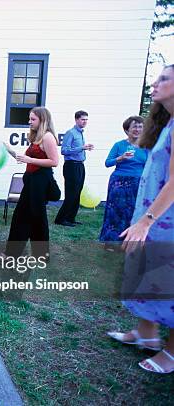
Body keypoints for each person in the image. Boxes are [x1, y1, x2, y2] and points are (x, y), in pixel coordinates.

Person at [108, 64, 174, 374]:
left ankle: (170, 353)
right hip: (154, 218)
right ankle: (146, 333)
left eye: (164, 78)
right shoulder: (169, 125)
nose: (156, 83)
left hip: (166, 221)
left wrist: (146, 221)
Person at [5, 107, 59, 260]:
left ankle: (39, 254)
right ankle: (16, 253)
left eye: (33, 119)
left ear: (43, 120)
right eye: (29, 119)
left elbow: (54, 162)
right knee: (24, 217)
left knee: (35, 218)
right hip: (31, 181)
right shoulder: (36, 136)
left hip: (40, 182)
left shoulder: (48, 137)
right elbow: (31, 159)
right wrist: (12, 152)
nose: (29, 122)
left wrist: (30, 160)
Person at [99, 116, 148, 248]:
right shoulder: (119, 145)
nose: (137, 129)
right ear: (127, 130)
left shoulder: (147, 147)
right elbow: (107, 163)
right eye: (134, 127)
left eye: (140, 127)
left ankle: (129, 242)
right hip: (119, 182)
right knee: (115, 212)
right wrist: (120, 158)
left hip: (138, 183)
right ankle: (111, 242)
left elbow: (149, 167)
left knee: (134, 211)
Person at [55, 110, 93, 227]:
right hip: (71, 166)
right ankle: (61, 219)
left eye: (86, 119)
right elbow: (64, 151)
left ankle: (71, 218)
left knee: (77, 193)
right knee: (71, 193)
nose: (85, 121)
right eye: (83, 119)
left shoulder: (80, 133)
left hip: (80, 165)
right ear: (76, 120)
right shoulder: (70, 133)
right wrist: (81, 148)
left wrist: (84, 148)